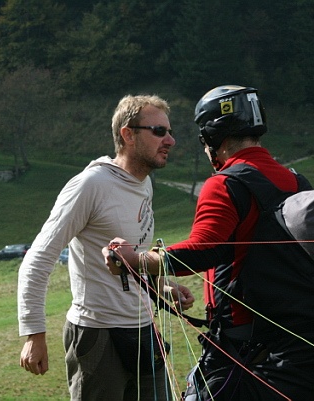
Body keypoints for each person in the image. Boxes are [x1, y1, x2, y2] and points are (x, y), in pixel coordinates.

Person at [103, 85, 314, 401]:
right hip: (292, 337)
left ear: (211, 136)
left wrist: (138, 260)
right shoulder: (295, 181)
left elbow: (205, 249)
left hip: (241, 339)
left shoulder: (224, 183)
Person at [18, 95, 195, 401]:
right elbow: (39, 257)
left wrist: (161, 288)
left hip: (143, 329)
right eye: (158, 131)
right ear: (128, 134)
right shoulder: (90, 185)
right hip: (97, 333)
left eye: (169, 131)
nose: (170, 140)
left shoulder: (144, 184)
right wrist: (34, 334)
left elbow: (131, 257)